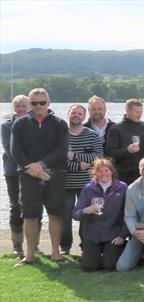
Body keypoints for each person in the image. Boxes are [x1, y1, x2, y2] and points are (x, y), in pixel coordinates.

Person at [11, 88, 69, 267]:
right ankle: (29, 256)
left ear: (49, 103)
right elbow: (16, 151)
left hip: (55, 175)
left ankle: (56, 253)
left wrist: (41, 165)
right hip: (28, 176)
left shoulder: (60, 123)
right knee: (29, 216)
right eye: (34, 103)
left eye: (42, 102)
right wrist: (33, 169)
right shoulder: (19, 124)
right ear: (30, 104)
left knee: (55, 214)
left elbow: (61, 149)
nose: (38, 106)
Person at [62, 104, 104, 255]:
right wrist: (79, 166)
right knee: (65, 216)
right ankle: (65, 248)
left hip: (87, 185)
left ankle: (86, 246)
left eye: (79, 113)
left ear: (84, 117)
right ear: (68, 114)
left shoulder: (92, 135)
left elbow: (99, 158)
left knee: (87, 215)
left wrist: (74, 156)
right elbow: (58, 159)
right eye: (73, 112)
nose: (76, 115)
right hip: (64, 183)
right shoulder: (60, 134)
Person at [72, 158, 128, 271]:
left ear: (111, 171)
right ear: (95, 173)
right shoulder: (88, 188)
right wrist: (85, 210)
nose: (103, 174)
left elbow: (128, 214)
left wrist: (122, 236)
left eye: (106, 170)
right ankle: (91, 252)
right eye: (99, 171)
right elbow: (75, 214)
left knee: (109, 266)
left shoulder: (122, 188)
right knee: (89, 267)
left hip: (113, 234)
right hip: (92, 235)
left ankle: (121, 247)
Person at [2, 95, 30, 257]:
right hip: (13, 172)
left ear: (29, 107)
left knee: (33, 207)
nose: (21, 109)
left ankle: (34, 243)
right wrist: (30, 163)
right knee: (16, 207)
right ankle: (17, 244)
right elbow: (10, 149)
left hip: (33, 172)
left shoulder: (35, 123)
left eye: (24, 106)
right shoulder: (6, 125)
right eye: (18, 106)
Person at [106, 99, 144, 185]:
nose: (140, 115)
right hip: (122, 176)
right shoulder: (115, 129)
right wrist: (127, 150)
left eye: (141, 112)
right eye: (137, 112)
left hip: (143, 174)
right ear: (127, 110)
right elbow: (109, 154)